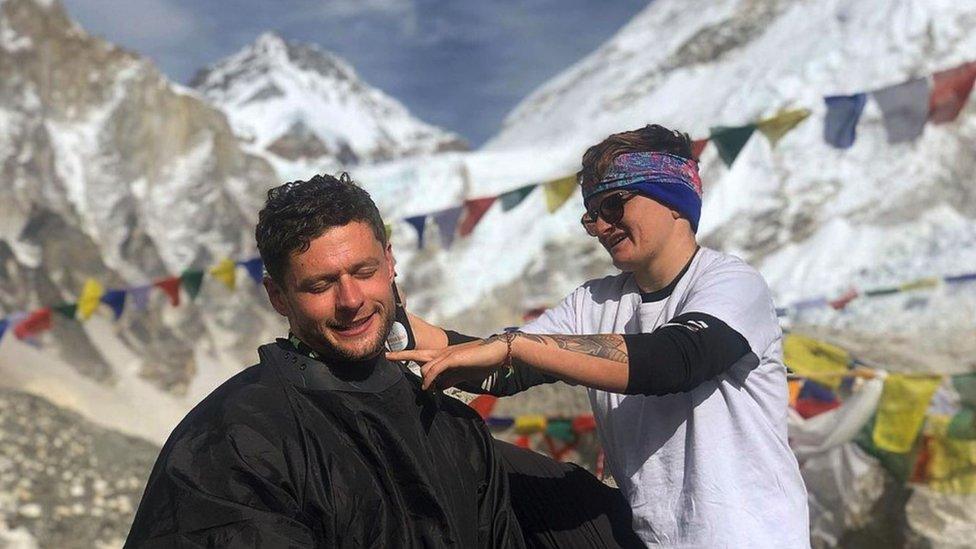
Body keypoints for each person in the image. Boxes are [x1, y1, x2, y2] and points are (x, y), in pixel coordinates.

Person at [126, 173, 641, 548]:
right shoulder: (233, 440)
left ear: (390, 262)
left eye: (364, 271)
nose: (350, 300)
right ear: (278, 297)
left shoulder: (453, 428)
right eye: (320, 284)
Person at [391, 124, 812, 548]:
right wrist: (392, 321)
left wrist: (514, 345)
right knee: (479, 456)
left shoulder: (732, 283)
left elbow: (674, 361)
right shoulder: (594, 301)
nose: (602, 227)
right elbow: (499, 368)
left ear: (672, 198)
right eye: (592, 216)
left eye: (613, 205)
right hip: (644, 539)